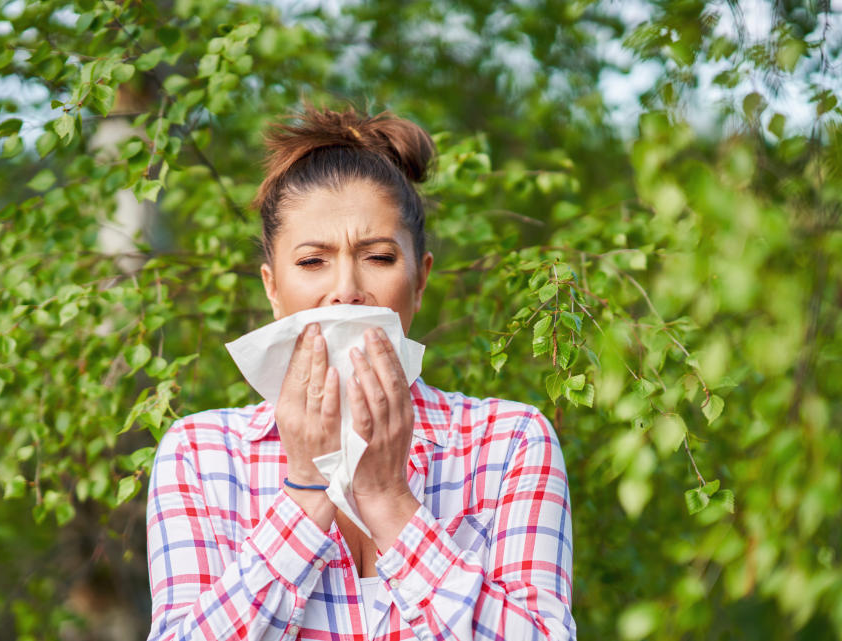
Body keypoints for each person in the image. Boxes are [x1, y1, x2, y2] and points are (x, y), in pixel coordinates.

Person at [145, 105, 575, 640]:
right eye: (311, 262)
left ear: (420, 280)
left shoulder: (508, 443)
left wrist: (390, 500)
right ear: (272, 288)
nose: (345, 289)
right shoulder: (202, 455)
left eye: (377, 257)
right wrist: (306, 489)